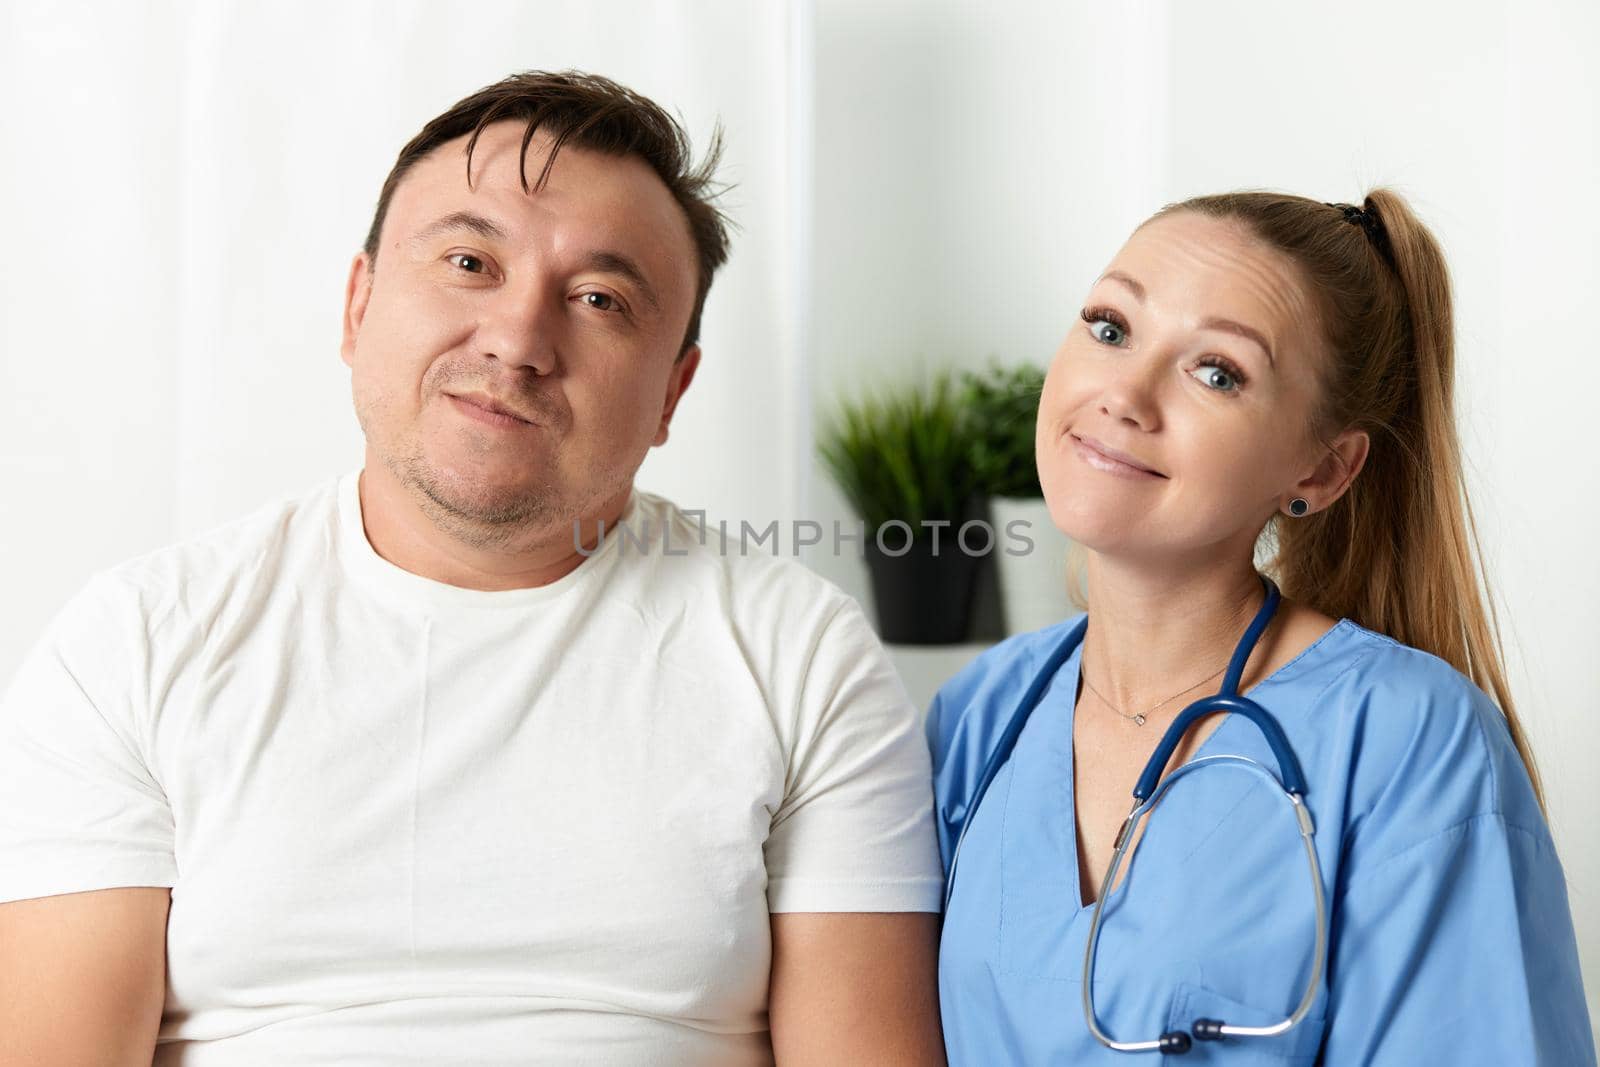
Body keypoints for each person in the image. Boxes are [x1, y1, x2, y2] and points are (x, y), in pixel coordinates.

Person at [0, 71, 944, 1065]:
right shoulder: (139, 637)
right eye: (467, 260)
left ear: (673, 389)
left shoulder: (801, 654)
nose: (517, 338)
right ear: (359, 303)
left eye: (598, 298)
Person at [927, 189, 1596, 1064]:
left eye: (1217, 372)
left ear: (1321, 469)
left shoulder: (1409, 740)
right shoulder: (980, 717)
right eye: (1109, 325)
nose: (1124, 392)